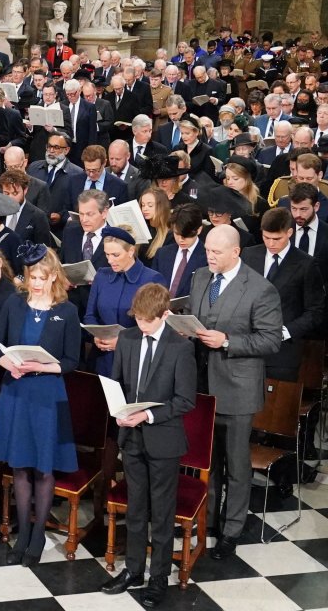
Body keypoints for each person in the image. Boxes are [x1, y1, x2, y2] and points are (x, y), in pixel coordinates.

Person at [0, 245, 81, 566]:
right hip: (15, 391)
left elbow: (70, 360)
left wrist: (40, 366)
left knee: (43, 467)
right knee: (19, 466)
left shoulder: (67, 311)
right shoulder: (14, 303)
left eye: (42, 277)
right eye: (31, 277)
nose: (36, 283)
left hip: (47, 395)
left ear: (54, 276)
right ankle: (22, 533)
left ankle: (38, 536)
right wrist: (7, 364)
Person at [188, 225, 282, 560]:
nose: (209, 257)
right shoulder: (200, 276)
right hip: (201, 387)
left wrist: (227, 341)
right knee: (205, 461)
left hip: (237, 389)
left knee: (237, 465)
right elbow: (193, 318)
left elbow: (271, 340)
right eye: (208, 250)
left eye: (216, 252)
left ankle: (231, 529)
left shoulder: (261, 289)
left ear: (236, 252)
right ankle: (207, 519)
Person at [101, 283, 197, 608]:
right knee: (136, 508)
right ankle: (133, 570)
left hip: (163, 440)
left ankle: (158, 578)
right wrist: (119, 411)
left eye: (147, 321)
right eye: (138, 319)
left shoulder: (180, 348)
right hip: (130, 438)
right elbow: (117, 384)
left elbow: (185, 401)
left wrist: (147, 416)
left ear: (164, 314)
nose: (141, 326)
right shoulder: (127, 339)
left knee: (162, 511)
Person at [242, 207, 324, 382]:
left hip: (282, 354)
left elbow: (315, 311)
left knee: (274, 408)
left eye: (276, 239)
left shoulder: (306, 264)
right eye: (266, 238)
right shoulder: (249, 255)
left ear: (289, 233)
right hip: (246, 348)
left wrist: (286, 331)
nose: (271, 244)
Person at [83, 227, 167, 376]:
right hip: (102, 360)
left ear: (131, 251)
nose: (110, 260)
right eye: (107, 255)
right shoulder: (102, 275)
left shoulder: (152, 279)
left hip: (135, 360)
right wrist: (96, 336)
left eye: (116, 255)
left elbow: (156, 326)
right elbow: (90, 315)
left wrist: (122, 342)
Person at [139, 187, 172, 266]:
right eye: (143, 205)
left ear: (161, 207)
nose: (145, 209)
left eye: (150, 205)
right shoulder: (143, 227)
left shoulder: (170, 235)